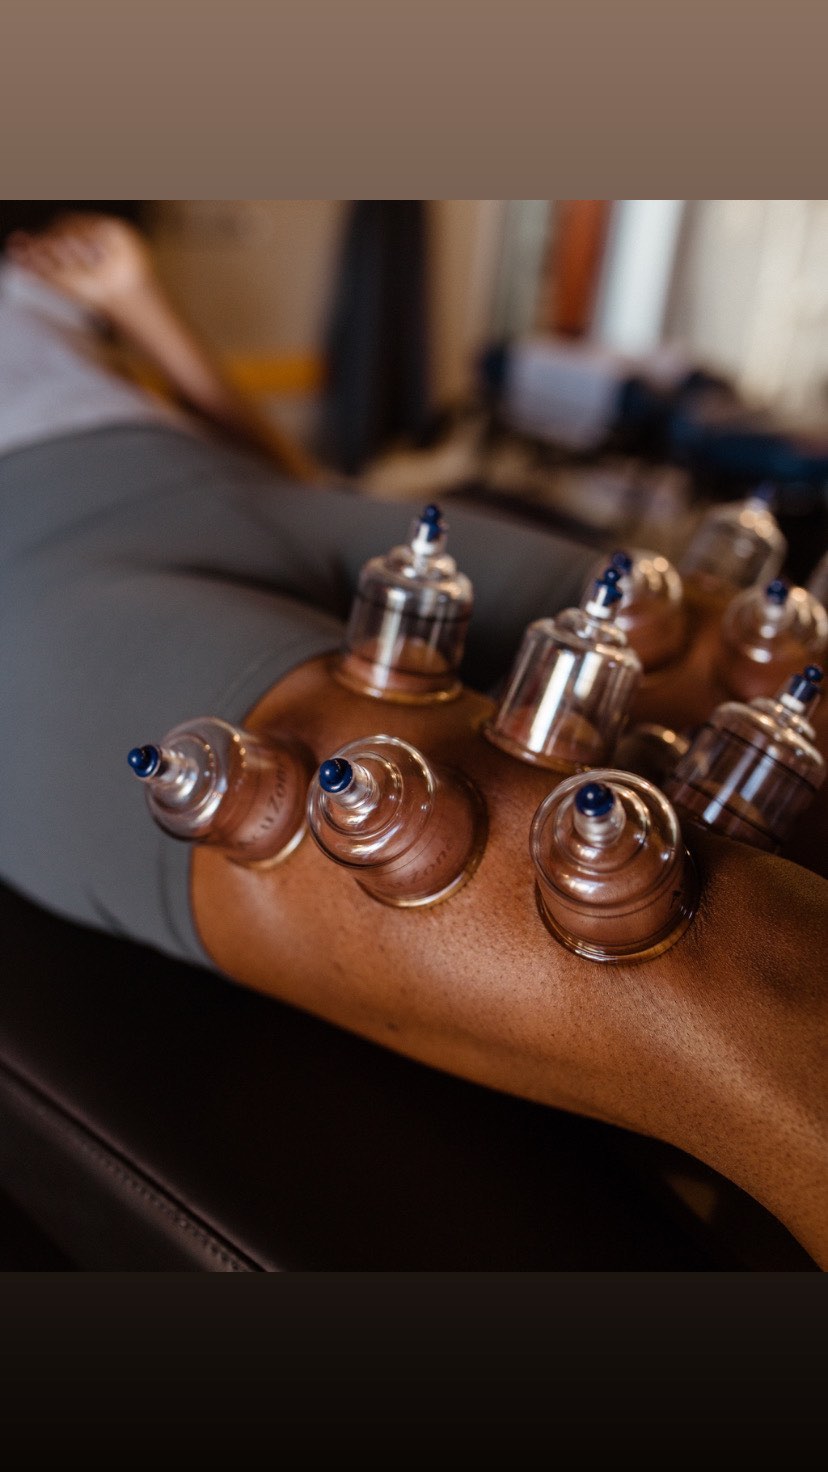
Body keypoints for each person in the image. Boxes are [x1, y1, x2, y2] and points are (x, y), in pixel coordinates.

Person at [0, 213, 826, 1269]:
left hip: (272, 503)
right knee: (735, 973)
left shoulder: (39, 283)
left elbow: (275, 463)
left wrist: (138, 307)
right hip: (43, 586)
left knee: (746, 661)